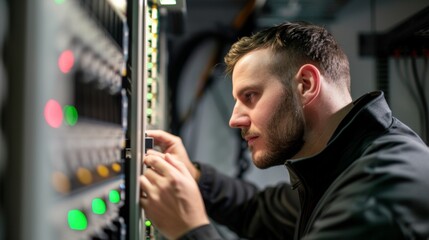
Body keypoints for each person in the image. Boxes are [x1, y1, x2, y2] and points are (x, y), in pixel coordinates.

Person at [139, 21, 429, 240]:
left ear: (305, 85)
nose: (234, 119)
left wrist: (189, 229)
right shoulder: (341, 163)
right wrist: (193, 175)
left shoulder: (377, 194)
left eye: (250, 96)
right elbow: (255, 210)